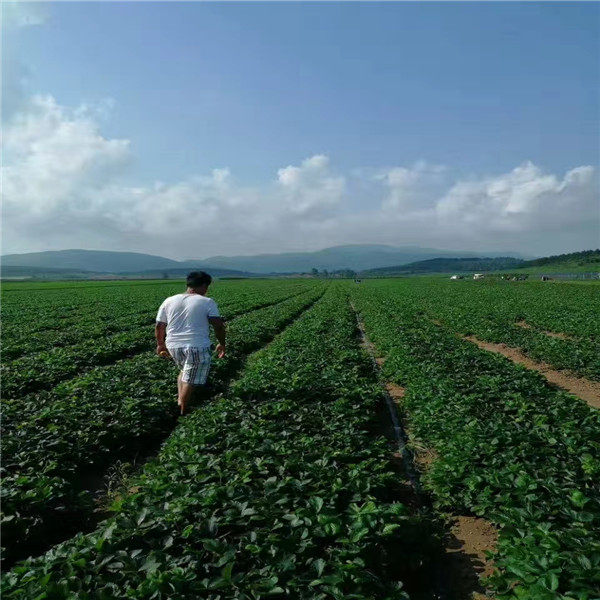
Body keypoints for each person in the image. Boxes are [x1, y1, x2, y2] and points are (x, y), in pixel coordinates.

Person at [155, 271, 226, 415]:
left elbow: (159, 325)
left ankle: (180, 403)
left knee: (184, 372)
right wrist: (221, 343)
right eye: (207, 286)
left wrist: (160, 344)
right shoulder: (207, 301)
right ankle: (182, 407)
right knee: (191, 379)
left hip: (173, 345)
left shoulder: (169, 300)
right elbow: (218, 325)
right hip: (196, 344)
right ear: (204, 285)